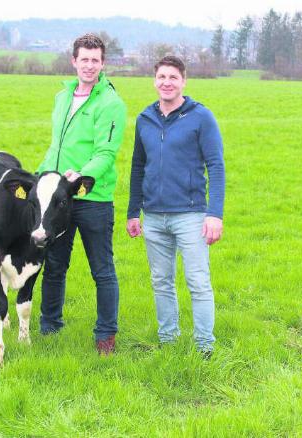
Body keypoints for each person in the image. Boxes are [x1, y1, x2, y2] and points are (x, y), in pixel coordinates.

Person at [126, 55, 225, 357]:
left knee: (197, 281)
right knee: (161, 281)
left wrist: (214, 214)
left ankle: (205, 346)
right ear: (154, 80)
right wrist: (133, 211)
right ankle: (168, 339)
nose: (166, 83)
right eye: (161, 77)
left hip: (191, 215)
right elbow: (137, 166)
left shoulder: (200, 117)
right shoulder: (145, 119)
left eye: (173, 77)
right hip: (154, 215)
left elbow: (216, 166)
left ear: (184, 81)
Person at [37, 33, 126, 355]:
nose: (89, 65)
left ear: (103, 64)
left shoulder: (110, 102)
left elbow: (106, 152)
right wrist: (41, 175)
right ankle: (49, 327)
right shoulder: (63, 97)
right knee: (55, 263)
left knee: (101, 268)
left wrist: (83, 174)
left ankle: (105, 335)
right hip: (60, 198)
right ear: (74, 61)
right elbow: (56, 147)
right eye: (84, 59)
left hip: (93, 197)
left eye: (95, 60)